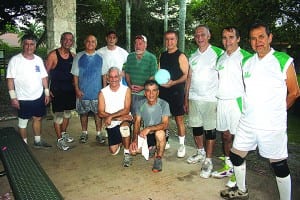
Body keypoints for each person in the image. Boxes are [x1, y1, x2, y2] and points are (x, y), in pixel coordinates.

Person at [220, 22, 300, 200]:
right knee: (236, 155)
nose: (258, 42)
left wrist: (278, 110)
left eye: (261, 37)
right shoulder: (247, 62)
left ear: (270, 37)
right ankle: (242, 190)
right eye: (254, 39)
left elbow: (295, 92)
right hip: (247, 122)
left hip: (272, 126)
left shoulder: (282, 60)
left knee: (278, 165)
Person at [211, 27, 252, 187]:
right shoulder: (220, 58)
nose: (227, 41)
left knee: (238, 140)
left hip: (237, 102)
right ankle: (229, 167)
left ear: (238, 38)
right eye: (224, 38)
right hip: (222, 102)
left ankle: (238, 172)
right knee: (226, 136)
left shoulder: (246, 58)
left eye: (231, 37)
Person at [184, 25, 223, 178]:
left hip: (211, 99)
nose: (199, 37)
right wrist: (186, 98)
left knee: (210, 131)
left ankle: (208, 160)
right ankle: (200, 152)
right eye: (197, 35)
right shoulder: (192, 56)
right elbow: (189, 78)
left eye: (202, 34)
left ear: (209, 36)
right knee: (197, 128)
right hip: (194, 98)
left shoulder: (218, 53)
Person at [6, 34, 52, 148]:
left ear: (35, 46)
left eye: (31, 44)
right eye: (26, 44)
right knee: (23, 122)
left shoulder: (38, 60)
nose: (29, 47)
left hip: (38, 96)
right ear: (23, 45)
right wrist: (13, 97)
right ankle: (24, 146)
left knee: (38, 118)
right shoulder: (15, 60)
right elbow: (10, 79)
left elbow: (43, 77)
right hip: (23, 98)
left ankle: (37, 141)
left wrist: (46, 93)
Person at [158, 30, 189, 156]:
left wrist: (173, 82)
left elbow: (186, 76)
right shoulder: (162, 55)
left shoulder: (181, 56)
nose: (169, 42)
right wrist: (159, 83)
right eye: (167, 39)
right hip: (164, 91)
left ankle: (182, 145)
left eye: (172, 39)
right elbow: (159, 72)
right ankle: (166, 140)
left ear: (176, 40)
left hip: (177, 91)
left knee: (179, 119)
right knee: (164, 118)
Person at [129, 79, 170, 172]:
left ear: (158, 92)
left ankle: (158, 158)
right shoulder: (140, 104)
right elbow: (137, 123)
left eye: (154, 90)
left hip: (161, 132)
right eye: (148, 90)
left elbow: (165, 124)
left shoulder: (164, 104)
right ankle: (152, 149)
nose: (151, 94)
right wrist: (134, 139)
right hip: (147, 134)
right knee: (133, 151)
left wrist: (148, 128)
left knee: (160, 134)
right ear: (144, 93)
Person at [71, 34, 105, 144]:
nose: (90, 43)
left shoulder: (101, 57)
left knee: (98, 114)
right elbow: (75, 75)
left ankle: (99, 134)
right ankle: (84, 133)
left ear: (96, 44)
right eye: (88, 41)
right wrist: (77, 89)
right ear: (85, 42)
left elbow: (104, 75)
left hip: (97, 92)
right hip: (83, 92)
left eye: (93, 41)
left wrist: (103, 91)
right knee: (83, 114)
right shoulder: (79, 56)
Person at [46, 32, 76, 151]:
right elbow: (45, 74)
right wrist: (47, 90)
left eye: (70, 40)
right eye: (65, 39)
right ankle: (59, 140)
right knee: (58, 116)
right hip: (57, 90)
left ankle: (63, 134)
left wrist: (77, 88)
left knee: (67, 114)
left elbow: (75, 75)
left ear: (72, 42)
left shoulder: (73, 56)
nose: (68, 42)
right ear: (61, 40)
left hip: (69, 90)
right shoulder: (53, 55)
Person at [98, 67, 132, 167]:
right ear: (107, 78)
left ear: (120, 77)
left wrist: (110, 116)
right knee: (113, 151)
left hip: (124, 120)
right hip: (113, 122)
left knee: (124, 128)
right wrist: (116, 118)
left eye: (116, 76)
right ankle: (124, 139)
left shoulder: (126, 90)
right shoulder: (102, 92)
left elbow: (126, 110)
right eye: (111, 77)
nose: (113, 79)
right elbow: (100, 112)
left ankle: (127, 153)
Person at [124, 35, 157, 116]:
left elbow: (153, 76)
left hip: (147, 93)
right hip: (132, 93)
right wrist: (130, 85)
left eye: (140, 43)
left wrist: (143, 87)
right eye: (136, 43)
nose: (137, 46)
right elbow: (127, 72)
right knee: (134, 117)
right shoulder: (130, 56)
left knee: (147, 117)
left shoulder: (152, 58)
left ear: (145, 45)